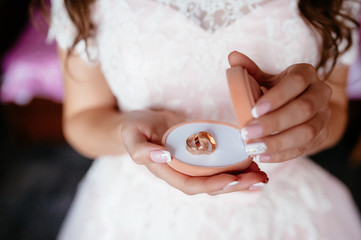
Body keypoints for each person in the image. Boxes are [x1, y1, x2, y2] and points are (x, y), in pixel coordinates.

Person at [33, 0, 361, 239]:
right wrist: (129, 129)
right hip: (138, 207)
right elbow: (81, 118)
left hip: (284, 203)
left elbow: (335, 110)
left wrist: (309, 124)